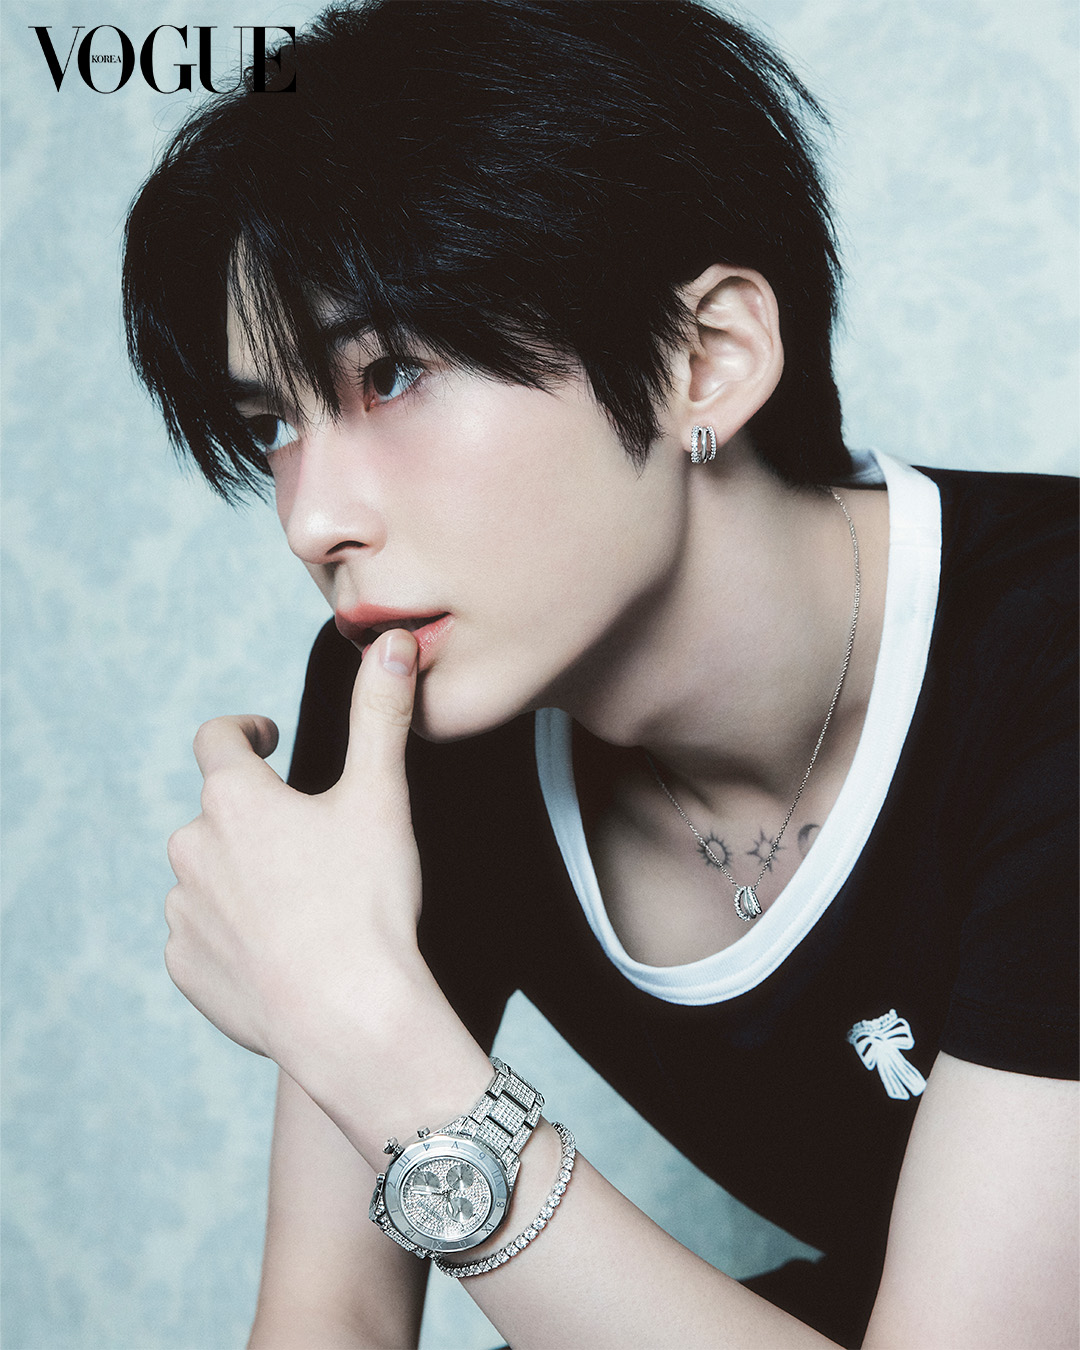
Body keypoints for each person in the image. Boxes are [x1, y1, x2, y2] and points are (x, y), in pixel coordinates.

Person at [122, 2, 1078, 1346]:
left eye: (390, 372)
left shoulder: (1051, 650)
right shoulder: (407, 699)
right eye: (273, 420)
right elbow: (328, 1317)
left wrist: (373, 1040)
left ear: (706, 360)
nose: (311, 520)